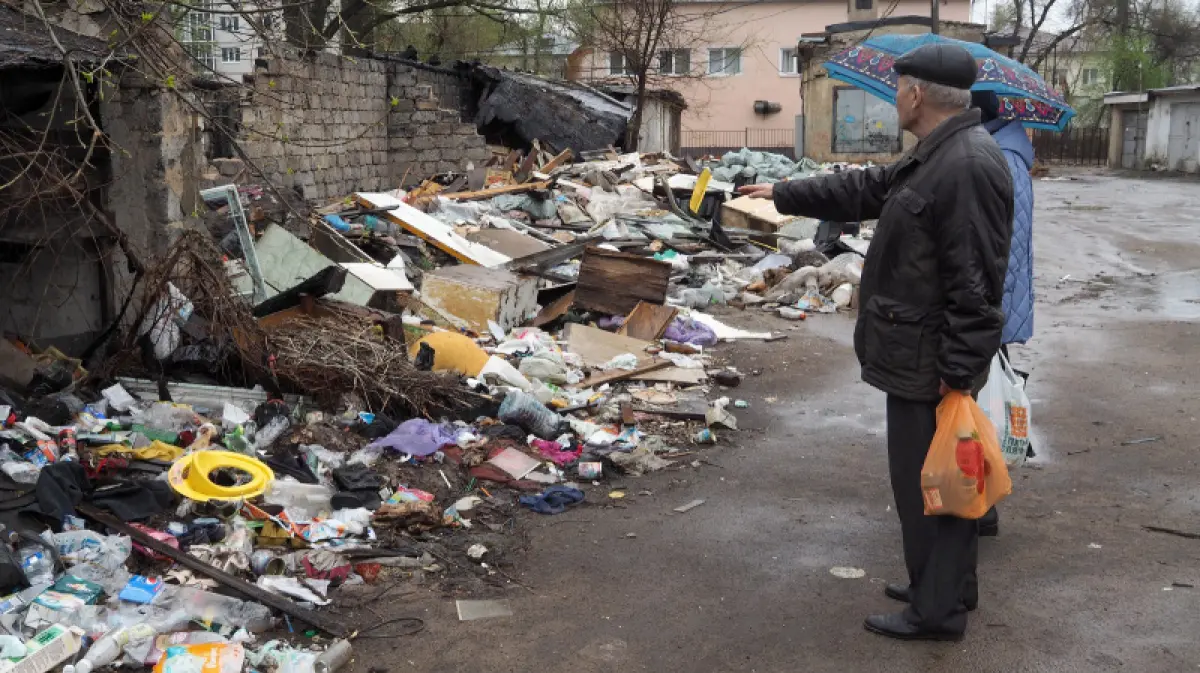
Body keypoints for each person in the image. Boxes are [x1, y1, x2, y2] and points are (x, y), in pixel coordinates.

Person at [739, 43, 1013, 641]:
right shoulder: (938, 155)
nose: (895, 99)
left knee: (930, 486)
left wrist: (959, 368)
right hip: (917, 351)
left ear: (916, 93)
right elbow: (866, 188)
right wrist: (781, 195)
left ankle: (935, 613)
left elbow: (976, 280)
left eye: (898, 88)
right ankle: (944, 588)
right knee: (939, 479)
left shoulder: (965, 164)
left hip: (931, 359)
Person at [972, 90, 1036, 537]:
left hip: (990, 308)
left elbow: (1001, 247)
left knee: (978, 412)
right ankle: (980, 501)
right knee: (981, 409)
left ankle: (981, 504)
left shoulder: (1000, 160)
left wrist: (983, 313)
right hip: (998, 305)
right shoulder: (1008, 152)